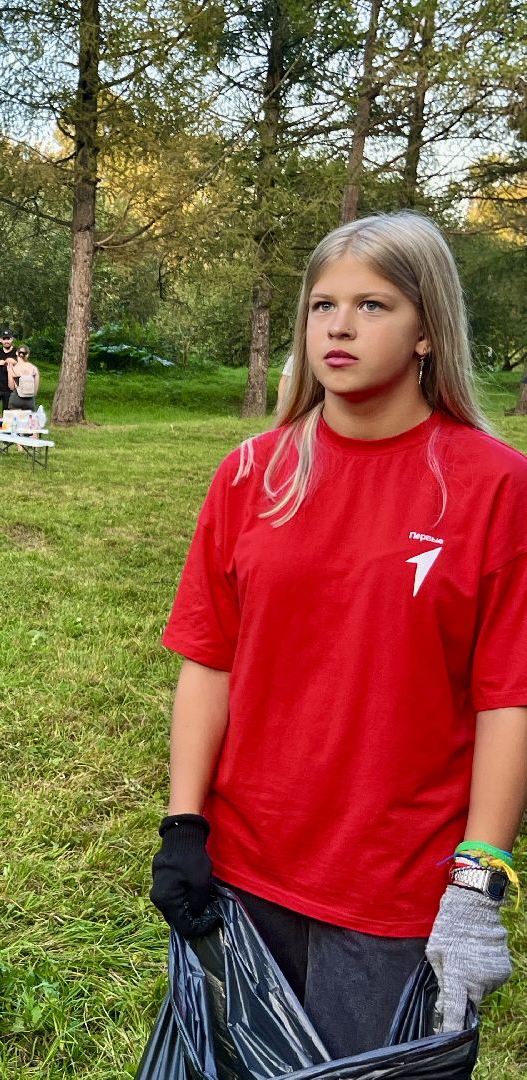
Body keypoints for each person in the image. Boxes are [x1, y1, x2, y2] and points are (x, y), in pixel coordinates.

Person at [150, 211, 527, 1059]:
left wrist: (477, 888)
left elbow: (511, 700)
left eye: (373, 305)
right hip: (243, 875)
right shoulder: (252, 474)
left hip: (399, 893)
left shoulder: (497, 488)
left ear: (429, 330)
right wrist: (183, 829)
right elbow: (209, 663)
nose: (340, 327)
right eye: (323, 306)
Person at [7, 345, 39, 412]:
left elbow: (11, 387)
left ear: (16, 353)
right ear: (27, 355)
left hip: (16, 399)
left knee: (15, 422)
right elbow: (35, 390)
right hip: (30, 401)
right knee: (29, 421)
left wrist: (9, 371)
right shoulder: (34, 369)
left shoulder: (13, 369)